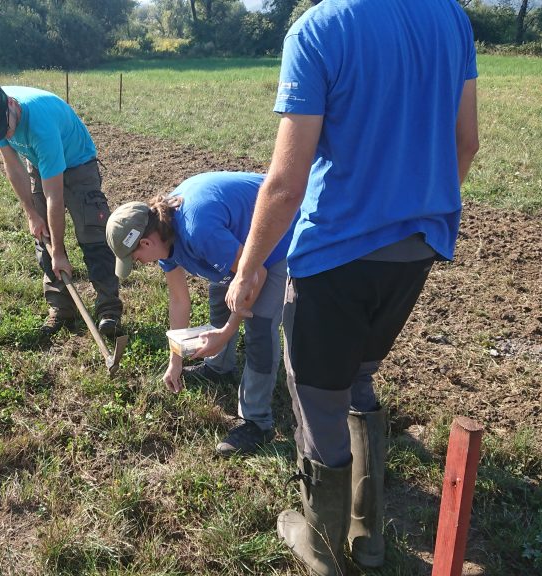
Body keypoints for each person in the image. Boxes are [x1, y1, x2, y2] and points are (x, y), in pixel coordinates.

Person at [225, 0, 480, 573]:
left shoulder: (319, 29)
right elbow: (466, 142)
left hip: (335, 256)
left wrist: (247, 268)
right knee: (360, 375)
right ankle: (369, 536)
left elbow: (287, 184)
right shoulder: (450, 18)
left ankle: (322, 545)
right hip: (417, 247)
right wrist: (412, 208)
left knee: (316, 398)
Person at [105, 172, 297, 456]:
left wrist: (227, 332)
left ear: (145, 243)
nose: (141, 264)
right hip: (238, 241)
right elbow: (179, 300)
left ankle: (258, 422)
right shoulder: (162, 232)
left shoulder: (197, 229)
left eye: (135, 259)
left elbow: (256, 274)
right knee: (221, 296)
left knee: (259, 325)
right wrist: (176, 360)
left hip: (278, 237)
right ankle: (220, 367)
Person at [0, 82, 123, 338]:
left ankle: (109, 311)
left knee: (93, 236)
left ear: (12, 105)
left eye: (4, 129)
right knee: (44, 238)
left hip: (78, 163)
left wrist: (60, 253)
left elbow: (54, 195)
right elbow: (14, 167)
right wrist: (31, 214)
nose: (4, 136)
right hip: (40, 164)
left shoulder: (41, 125)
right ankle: (61, 309)